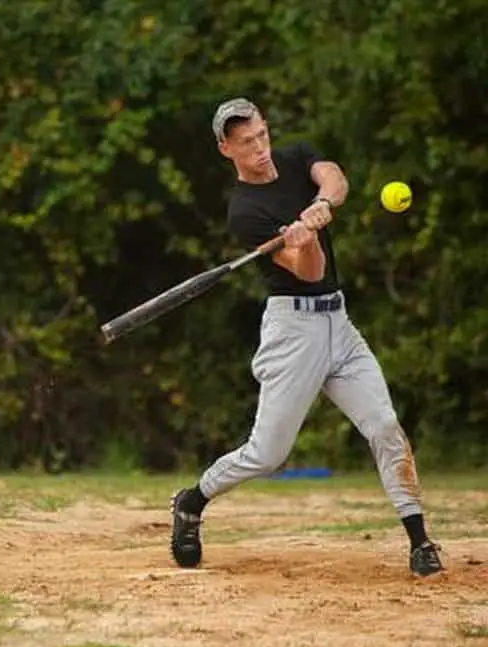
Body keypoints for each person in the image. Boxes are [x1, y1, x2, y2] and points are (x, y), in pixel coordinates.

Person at [168, 98, 444, 578]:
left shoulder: (295, 159)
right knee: (267, 453)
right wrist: (304, 240)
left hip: (339, 324)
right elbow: (309, 271)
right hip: (293, 332)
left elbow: (335, 177)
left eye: (261, 135)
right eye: (246, 142)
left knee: (383, 425)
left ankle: (420, 541)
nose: (259, 148)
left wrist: (318, 206)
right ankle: (193, 501)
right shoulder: (245, 213)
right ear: (225, 148)